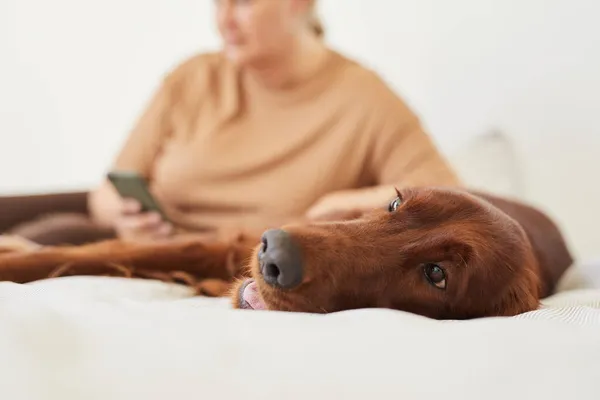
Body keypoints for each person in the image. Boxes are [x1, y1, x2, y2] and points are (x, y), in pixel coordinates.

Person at [88, 0, 460, 243]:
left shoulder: (365, 98)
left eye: (244, 3)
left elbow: (448, 196)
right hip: (152, 264)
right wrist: (124, 219)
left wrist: (349, 206)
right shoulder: (190, 78)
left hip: (258, 276)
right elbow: (104, 192)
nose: (224, 21)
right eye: (218, 3)